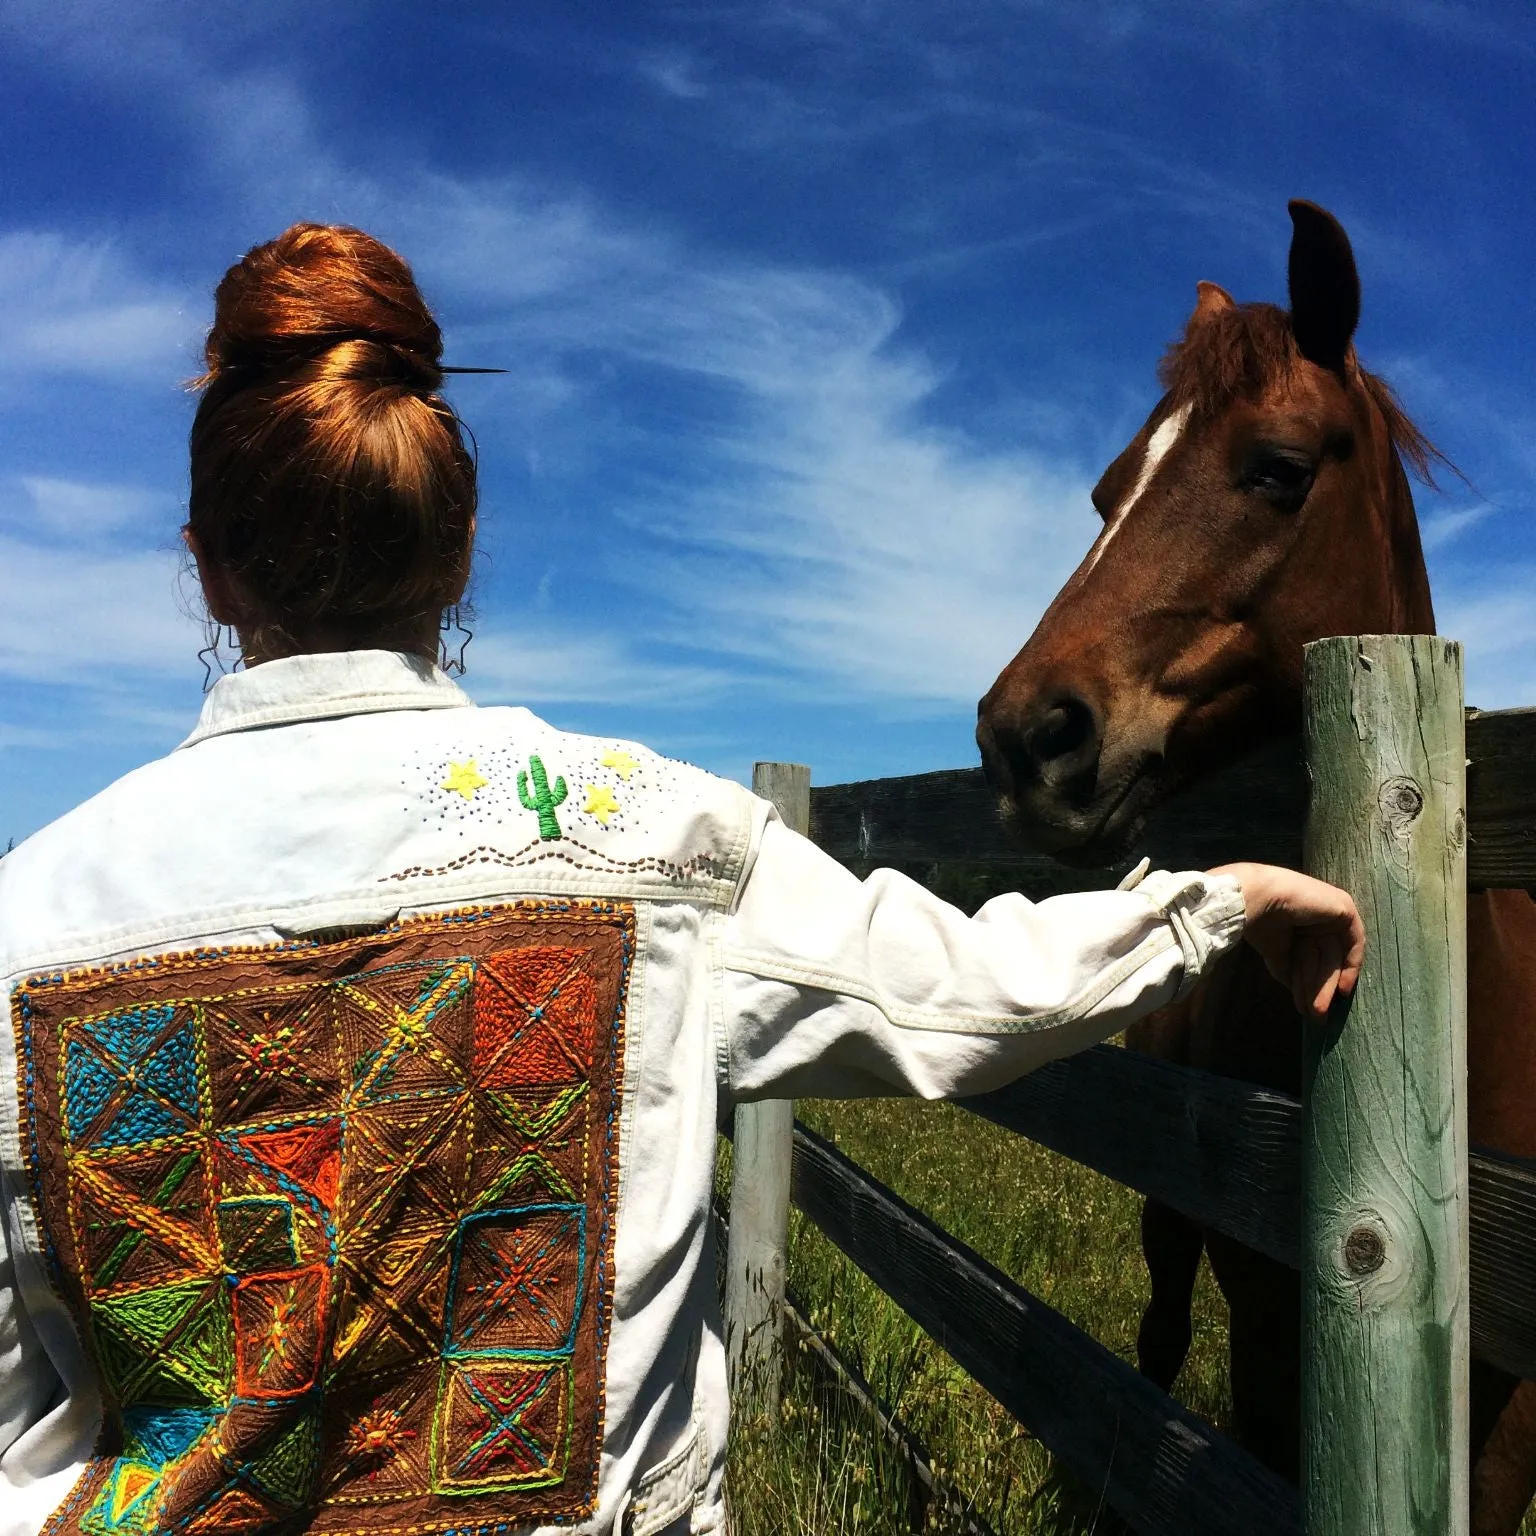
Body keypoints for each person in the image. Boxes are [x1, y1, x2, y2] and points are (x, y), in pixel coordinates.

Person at [0, 224, 1363, 1536]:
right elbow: (967, 995)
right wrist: (1221, 899)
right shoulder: (643, 836)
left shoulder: (26, 917)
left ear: (206, 567)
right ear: (463, 546)